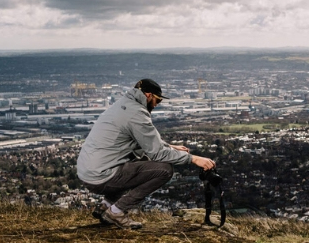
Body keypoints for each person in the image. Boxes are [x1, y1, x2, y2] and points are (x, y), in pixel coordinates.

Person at [76, 78, 215, 229]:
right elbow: (157, 154)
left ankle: (105, 206)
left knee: (134, 167)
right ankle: (116, 211)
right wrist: (193, 159)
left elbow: (141, 142)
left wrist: (169, 146)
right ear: (148, 95)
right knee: (163, 170)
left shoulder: (123, 104)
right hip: (101, 176)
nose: (156, 104)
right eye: (157, 100)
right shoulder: (137, 114)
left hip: (88, 172)